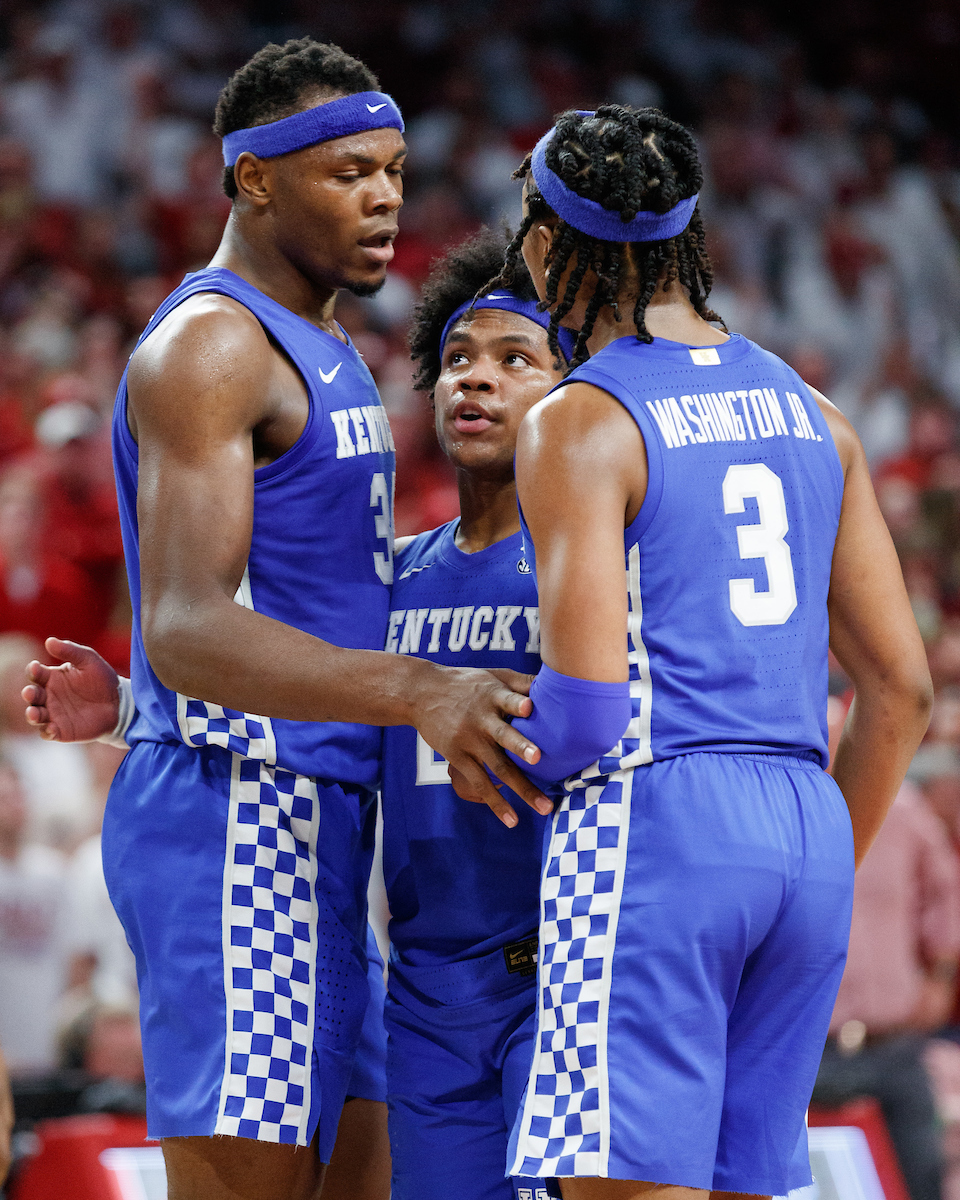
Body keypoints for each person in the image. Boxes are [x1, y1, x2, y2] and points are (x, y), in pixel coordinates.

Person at [21, 36, 550, 1200]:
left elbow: (288, 599)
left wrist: (132, 708)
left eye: (396, 171)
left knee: (368, 1174)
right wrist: (417, 691)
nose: (385, 199)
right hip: (236, 822)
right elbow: (189, 624)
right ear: (255, 178)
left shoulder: (329, 346)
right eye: (349, 171)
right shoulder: (212, 346)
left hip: (318, 815)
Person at [474, 105, 932, 1199]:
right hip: (807, 839)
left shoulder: (578, 419)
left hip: (658, 822)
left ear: (549, 236)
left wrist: (468, 737)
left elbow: (584, 714)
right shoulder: (818, 413)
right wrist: (814, 857)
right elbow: (903, 689)